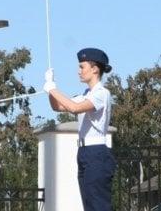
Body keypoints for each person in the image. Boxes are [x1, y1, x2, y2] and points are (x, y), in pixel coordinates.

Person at [43, 47, 116, 211]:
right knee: (89, 206)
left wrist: (52, 88)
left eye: (82, 67)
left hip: (96, 152)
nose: (79, 71)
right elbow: (58, 107)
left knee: (99, 206)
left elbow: (75, 108)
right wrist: (50, 87)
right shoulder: (86, 94)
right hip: (84, 153)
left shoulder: (101, 93)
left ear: (95, 69)